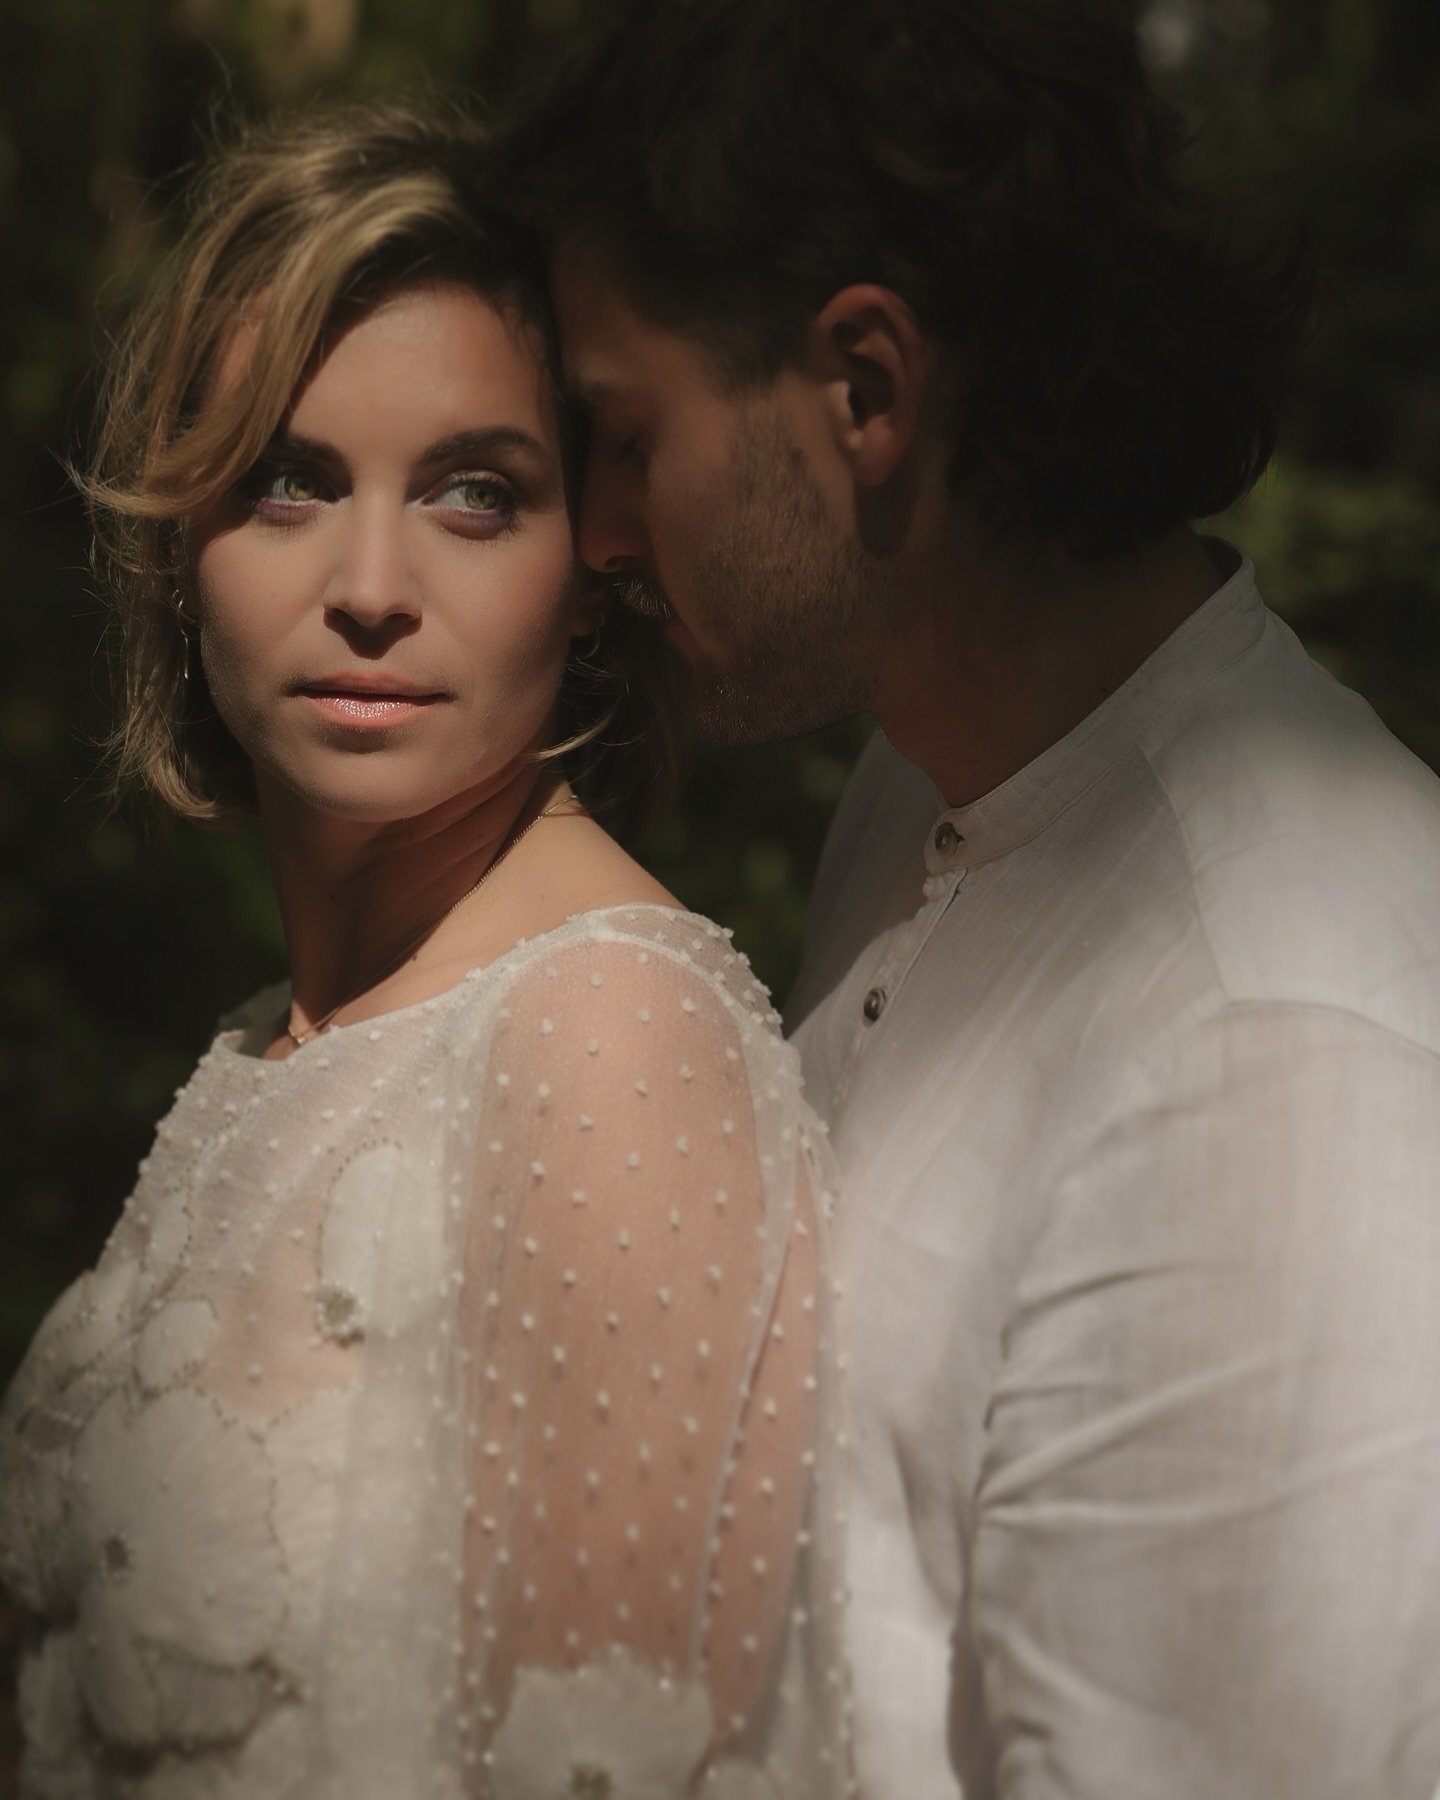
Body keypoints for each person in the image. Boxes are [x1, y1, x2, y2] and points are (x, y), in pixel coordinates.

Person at [502, 2, 1440, 1794]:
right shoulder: (918, 791)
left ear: (865, 389)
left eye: (623, 436)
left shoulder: (1275, 1034)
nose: (597, 536)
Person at [0, 102, 853, 1800]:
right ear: (183, 545)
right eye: (288, 482)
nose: (370, 584)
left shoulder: (608, 1031)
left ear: (592, 569)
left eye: (475, 493)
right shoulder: (275, 1040)